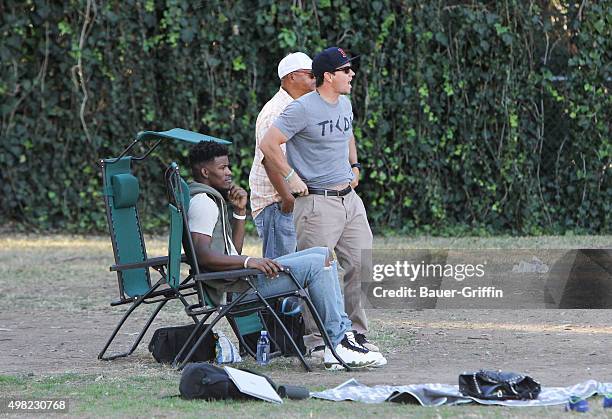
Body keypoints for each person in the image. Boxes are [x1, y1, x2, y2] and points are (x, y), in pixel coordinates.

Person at [187, 140, 386, 370]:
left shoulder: (207, 198)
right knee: (319, 263)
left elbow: (231, 252)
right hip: (237, 288)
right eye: (222, 168)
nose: (229, 172)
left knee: (322, 254)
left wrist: (240, 213)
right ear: (205, 171)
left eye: (228, 166)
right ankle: (337, 342)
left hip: (238, 279)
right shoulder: (203, 203)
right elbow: (202, 255)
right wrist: (250, 261)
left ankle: (340, 339)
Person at [259, 46, 378, 357]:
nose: (352, 74)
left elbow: (348, 134)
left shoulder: (345, 104)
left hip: (350, 201)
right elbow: (268, 144)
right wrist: (290, 177)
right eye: (346, 70)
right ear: (329, 75)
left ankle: (355, 336)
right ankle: (318, 342)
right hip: (317, 203)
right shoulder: (302, 108)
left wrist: (355, 166)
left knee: (361, 264)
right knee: (318, 270)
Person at [249, 52, 316, 259]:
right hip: (276, 203)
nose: (316, 78)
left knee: (296, 274)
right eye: (311, 74)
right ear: (292, 77)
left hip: (290, 201)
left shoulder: (299, 107)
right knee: (279, 275)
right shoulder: (275, 112)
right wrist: (287, 199)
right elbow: (270, 158)